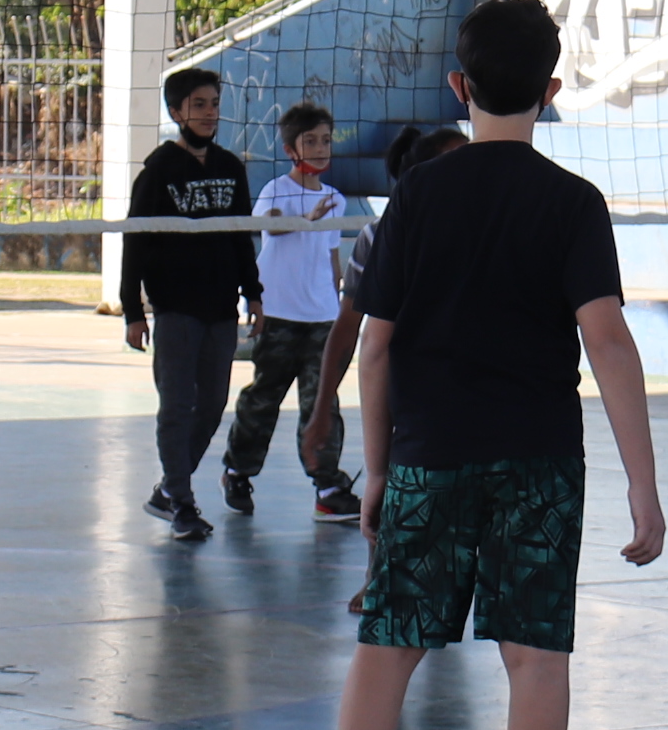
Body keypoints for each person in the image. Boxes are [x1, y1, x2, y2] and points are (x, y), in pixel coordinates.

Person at [276, 0, 666, 730]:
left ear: (459, 86)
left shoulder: (417, 195)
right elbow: (609, 341)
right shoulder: (573, 204)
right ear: (552, 92)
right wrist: (644, 488)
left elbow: (376, 346)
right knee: (535, 660)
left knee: (388, 649)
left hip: (430, 458)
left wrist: (377, 470)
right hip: (538, 463)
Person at [122, 65, 257, 543]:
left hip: (221, 308)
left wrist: (254, 293)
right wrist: (133, 311)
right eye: (198, 105)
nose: (209, 113)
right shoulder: (158, 171)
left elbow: (242, 236)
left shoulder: (230, 168)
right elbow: (135, 242)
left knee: (213, 404)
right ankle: (181, 500)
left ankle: (167, 489)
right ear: (177, 112)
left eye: (214, 104)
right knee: (177, 405)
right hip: (175, 308)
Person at [304, 124, 463, 501]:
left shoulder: (490, 230)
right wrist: (321, 410)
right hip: (415, 414)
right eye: (461, 161)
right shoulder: (381, 237)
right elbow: (351, 333)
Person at [223, 101, 357, 521]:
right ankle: (238, 471)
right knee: (264, 398)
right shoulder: (276, 191)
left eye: (325, 141)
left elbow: (330, 255)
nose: (320, 148)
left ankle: (328, 485)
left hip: (321, 319)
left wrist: (337, 301)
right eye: (310, 141)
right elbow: (272, 224)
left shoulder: (335, 199)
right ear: (290, 149)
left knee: (322, 403)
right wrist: (306, 218)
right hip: (279, 315)